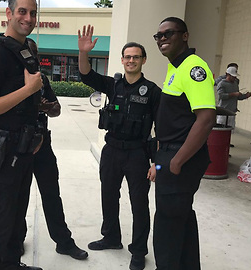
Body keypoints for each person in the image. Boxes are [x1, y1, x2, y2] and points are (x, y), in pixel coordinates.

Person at [78, 25, 162, 270]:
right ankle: (112, 237)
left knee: (139, 204)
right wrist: (83, 52)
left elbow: (161, 131)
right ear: (122, 60)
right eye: (128, 57)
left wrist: (156, 163)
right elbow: (86, 75)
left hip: (138, 153)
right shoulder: (113, 85)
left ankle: (138, 251)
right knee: (108, 195)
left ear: (143, 60)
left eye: (136, 57)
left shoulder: (153, 92)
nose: (131, 60)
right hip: (112, 150)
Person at [0, 0, 44, 269]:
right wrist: (28, 91)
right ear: (9, 14)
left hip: (23, 148)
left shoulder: (25, 50)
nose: (28, 18)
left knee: (17, 216)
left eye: (33, 12)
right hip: (3, 150)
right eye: (22, 11)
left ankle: (11, 264)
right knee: (0, 218)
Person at [151, 17, 216, 269]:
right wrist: (159, 161)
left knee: (167, 226)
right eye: (159, 36)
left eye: (169, 33)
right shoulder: (175, 67)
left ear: (185, 36)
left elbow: (206, 118)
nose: (163, 39)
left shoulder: (192, 67)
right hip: (168, 156)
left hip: (181, 158)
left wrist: (176, 162)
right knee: (181, 219)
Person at [20, 38, 88, 260]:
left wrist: (49, 107)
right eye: (29, 53)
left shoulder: (42, 79)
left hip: (43, 145)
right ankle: (16, 239)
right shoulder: (11, 78)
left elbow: (56, 108)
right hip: (18, 147)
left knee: (51, 194)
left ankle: (63, 242)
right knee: (18, 197)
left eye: (35, 54)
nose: (33, 57)